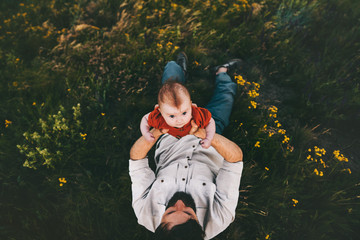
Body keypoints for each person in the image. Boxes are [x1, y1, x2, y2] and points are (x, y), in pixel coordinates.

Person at [129, 52, 243, 239]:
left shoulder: (145, 213)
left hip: (170, 137)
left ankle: (178, 69)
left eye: (170, 211)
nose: (180, 203)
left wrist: (159, 130)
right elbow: (235, 159)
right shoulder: (219, 219)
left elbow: (136, 159)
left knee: (170, 81)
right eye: (189, 212)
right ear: (200, 225)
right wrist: (204, 134)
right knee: (226, 96)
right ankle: (221, 72)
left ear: (159, 225)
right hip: (211, 139)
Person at [140, 79, 215, 148]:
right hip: (176, 137)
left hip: (198, 126)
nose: (179, 120)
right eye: (172, 116)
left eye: (184, 113)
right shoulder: (159, 118)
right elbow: (145, 119)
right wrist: (146, 133)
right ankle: (174, 67)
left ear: (191, 105)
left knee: (220, 103)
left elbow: (210, 121)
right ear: (160, 112)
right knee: (168, 89)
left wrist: (208, 138)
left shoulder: (197, 115)